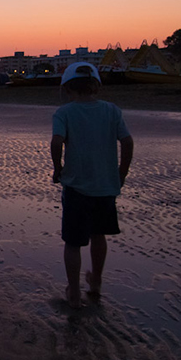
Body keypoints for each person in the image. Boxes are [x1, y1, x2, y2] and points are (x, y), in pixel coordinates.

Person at [50, 62, 134, 309]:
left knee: (73, 242)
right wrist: (121, 172)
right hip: (106, 187)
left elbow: (56, 142)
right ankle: (95, 282)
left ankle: (74, 291)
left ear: (66, 88)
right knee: (99, 235)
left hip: (76, 187)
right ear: (96, 85)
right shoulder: (112, 110)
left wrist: (58, 168)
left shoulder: (64, 113)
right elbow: (127, 142)